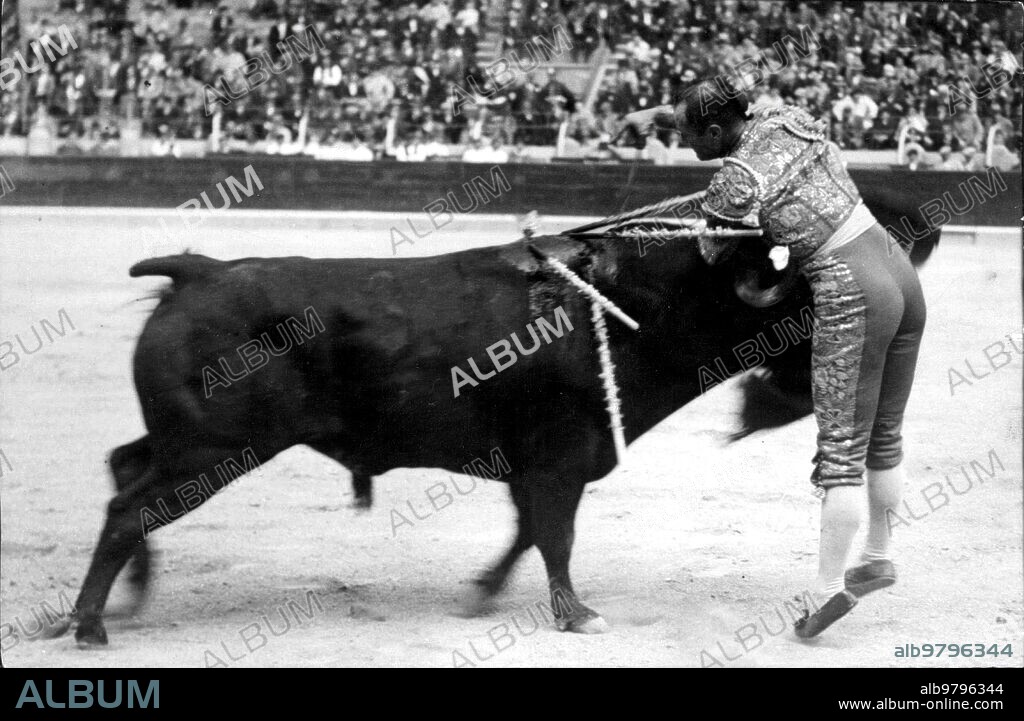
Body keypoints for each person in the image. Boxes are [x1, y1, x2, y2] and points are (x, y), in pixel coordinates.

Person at [623, 79, 927, 638]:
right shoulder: (786, 117)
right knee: (884, 435)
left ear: (716, 132)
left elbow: (713, 251)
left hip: (851, 291)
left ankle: (828, 591)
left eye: (691, 135)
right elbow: (734, 110)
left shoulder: (733, 182)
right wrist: (658, 114)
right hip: (898, 274)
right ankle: (878, 555)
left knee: (840, 456)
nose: (687, 144)